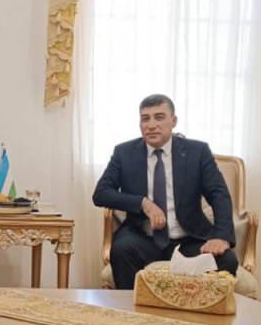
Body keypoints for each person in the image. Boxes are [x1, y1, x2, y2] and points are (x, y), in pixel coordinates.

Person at [92, 94, 238, 289]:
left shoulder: (197, 152)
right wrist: (143, 203)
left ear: (173, 121)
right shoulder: (124, 153)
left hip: (189, 239)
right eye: (145, 119)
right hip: (144, 238)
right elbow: (101, 193)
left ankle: (194, 309)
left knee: (227, 261)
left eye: (159, 117)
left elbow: (219, 194)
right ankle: (132, 308)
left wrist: (221, 236)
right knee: (121, 250)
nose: (151, 125)